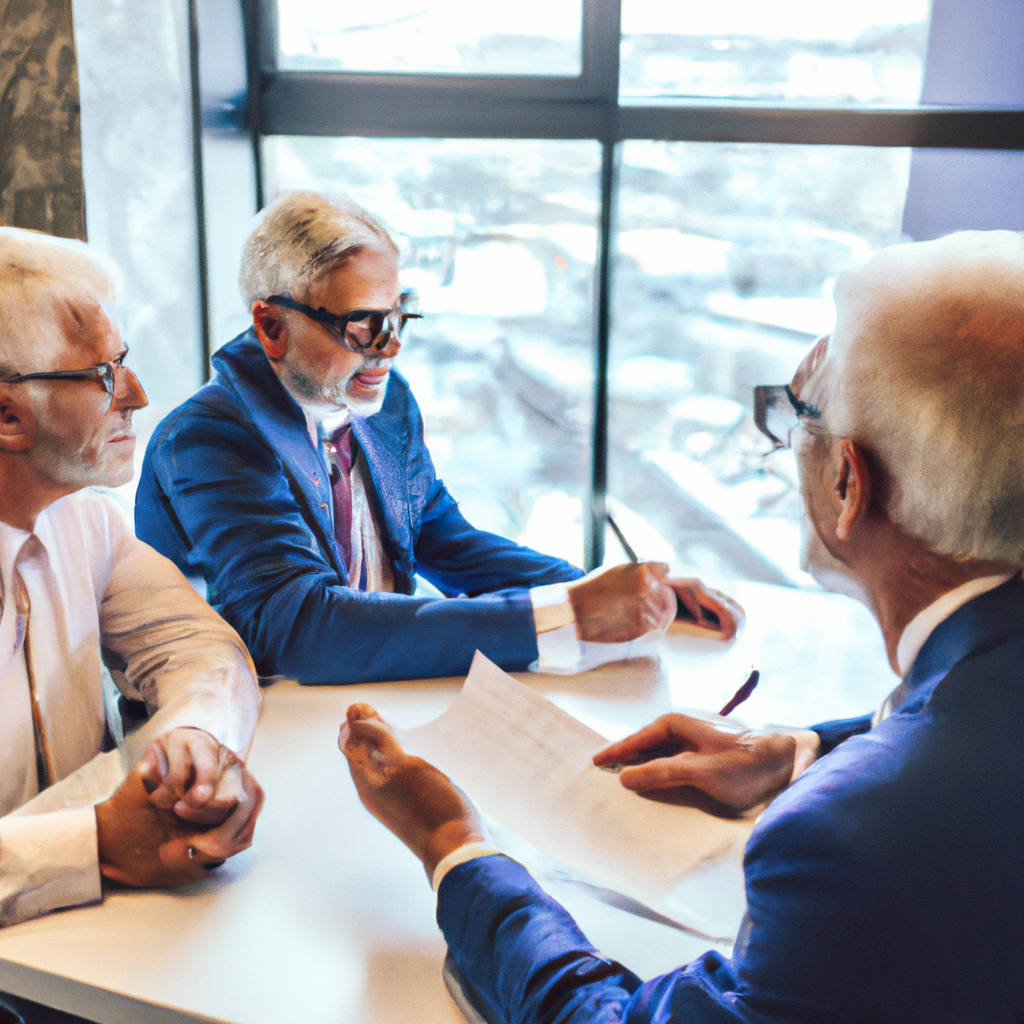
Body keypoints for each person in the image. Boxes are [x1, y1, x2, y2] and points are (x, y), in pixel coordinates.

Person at [339, 230, 1024, 1024]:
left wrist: (458, 850)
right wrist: (799, 752)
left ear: (846, 481)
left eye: (798, 414)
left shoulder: (845, 841)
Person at [134, 191, 739, 685]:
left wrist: (609, 590)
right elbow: (301, 632)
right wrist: (569, 614)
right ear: (271, 325)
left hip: (377, 696)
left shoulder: (383, 402)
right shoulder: (209, 440)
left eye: (399, 316)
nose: (389, 347)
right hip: (256, 728)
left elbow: (443, 539)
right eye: (362, 324)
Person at [0, 227, 264, 942]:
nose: (139, 395)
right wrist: (97, 845)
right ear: (6, 416)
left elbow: (201, 648)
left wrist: (192, 747)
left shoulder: (87, 517)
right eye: (103, 375)